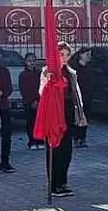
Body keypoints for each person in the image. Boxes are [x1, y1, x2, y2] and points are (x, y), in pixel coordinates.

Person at [43, 43, 88, 197]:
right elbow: (41, 91)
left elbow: (76, 93)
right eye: (61, 54)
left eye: (67, 55)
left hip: (68, 110)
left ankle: (63, 181)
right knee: (54, 148)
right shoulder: (47, 71)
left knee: (66, 149)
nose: (64, 58)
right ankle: (53, 184)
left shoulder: (71, 72)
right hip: (53, 112)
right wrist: (49, 82)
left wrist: (80, 113)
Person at [0, 60, 15, 173]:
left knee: (6, 135)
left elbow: (9, 88)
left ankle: (6, 161)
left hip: (3, 106)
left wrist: (3, 93)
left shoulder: (4, 70)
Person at [70, 49, 94, 147]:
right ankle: (76, 138)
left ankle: (83, 138)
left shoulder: (89, 68)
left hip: (87, 97)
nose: (89, 56)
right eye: (87, 54)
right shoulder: (74, 68)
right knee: (76, 118)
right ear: (80, 55)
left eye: (90, 54)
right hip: (77, 97)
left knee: (85, 117)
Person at [19, 53, 43, 150]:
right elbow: (23, 90)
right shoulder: (23, 75)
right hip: (28, 102)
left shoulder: (39, 73)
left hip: (40, 101)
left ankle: (40, 140)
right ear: (25, 62)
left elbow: (42, 87)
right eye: (29, 61)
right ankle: (32, 141)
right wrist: (31, 101)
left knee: (40, 122)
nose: (31, 63)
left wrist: (38, 100)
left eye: (33, 61)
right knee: (30, 122)